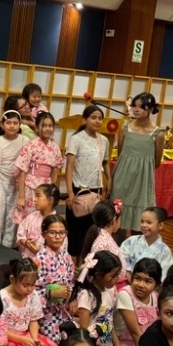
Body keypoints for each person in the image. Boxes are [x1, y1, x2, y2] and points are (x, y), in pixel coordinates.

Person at [72, 251, 127, 346]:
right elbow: (85, 332)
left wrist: (117, 345)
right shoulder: (87, 295)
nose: (116, 280)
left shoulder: (109, 291)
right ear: (98, 276)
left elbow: (109, 321)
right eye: (113, 276)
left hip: (108, 345)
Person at [111, 92, 165, 233]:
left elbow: (156, 162)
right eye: (134, 105)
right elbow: (121, 154)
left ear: (151, 110)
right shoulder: (124, 128)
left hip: (143, 180)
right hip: (122, 177)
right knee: (118, 219)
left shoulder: (158, 134)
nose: (136, 109)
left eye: (142, 107)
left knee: (142, 222)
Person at [0, 258, 60, 346]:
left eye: (33, 285)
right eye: (25, 285)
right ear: (12, 279)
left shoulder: (33, 295)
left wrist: (34, 338)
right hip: (8, 338)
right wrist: (21, 339)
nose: (30, 289)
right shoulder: (2, 297)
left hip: (27, 335)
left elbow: (33, 320)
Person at [64, 105, 110, 254]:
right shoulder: (76, 139)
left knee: (93, 228)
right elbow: (69, 166)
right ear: (85, 120)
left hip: (96, 190)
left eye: (100, 118)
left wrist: (109, 179)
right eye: (93, 117)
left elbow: (105, 162)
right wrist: (70, 192)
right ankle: (74, 263)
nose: (97, 121)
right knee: (76, 229)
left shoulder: (104, 140)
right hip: (79, 189)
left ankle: (86, 262)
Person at [13, 111, 64, 223]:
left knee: (44, 220)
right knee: (27, 220)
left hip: (47, 189)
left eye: (50, 126)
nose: (47, 129)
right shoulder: (30, 146)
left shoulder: (55, 148)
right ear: (37, 127)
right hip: (30, 187)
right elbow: (22, 172)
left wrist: (52, 193)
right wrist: (21, 197)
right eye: (44, 125)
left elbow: (54, 172)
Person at [114, 257, 161, 346]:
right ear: (131, 277)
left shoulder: (155, 296)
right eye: (137, 278)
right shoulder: (125, 295)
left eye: (148, 281)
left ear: (156, 285)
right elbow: (135, 332)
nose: (141, 285)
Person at [34, 214, 75, 342]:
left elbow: (71, 281)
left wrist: (71, 296)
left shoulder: (65, 255)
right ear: (43, 234)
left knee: (75, 339)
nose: (58, 237)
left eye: (62, 233)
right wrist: (50, 292)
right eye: (53, 233)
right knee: (57, 341)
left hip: (63, 311)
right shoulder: (39, 259)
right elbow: (30, 291)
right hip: (46, 315)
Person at [0, 110, 24, 248]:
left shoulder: (24, 141)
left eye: (15, 123)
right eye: (8, 123)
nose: (12, 126)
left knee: (12, 217)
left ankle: (7, 246)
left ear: (20, 125)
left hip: (16, 183)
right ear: (2, 125)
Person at [120, 206, 173, 279]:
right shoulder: (131, 241)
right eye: (142, 221)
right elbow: (121, 262)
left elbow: (165, 275)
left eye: (149, 222)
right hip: (127, 282)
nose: (144, 225)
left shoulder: (165, 251)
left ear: (160, 225)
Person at [15, 183, 61, 258]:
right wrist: (26, 242)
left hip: (47, 265)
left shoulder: (57, 224)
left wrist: (40, 251)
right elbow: (21, 232)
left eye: (38, 196)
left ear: (50, 200)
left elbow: (60, 249)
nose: (34, 199)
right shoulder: (31, 217)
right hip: (29, 261)